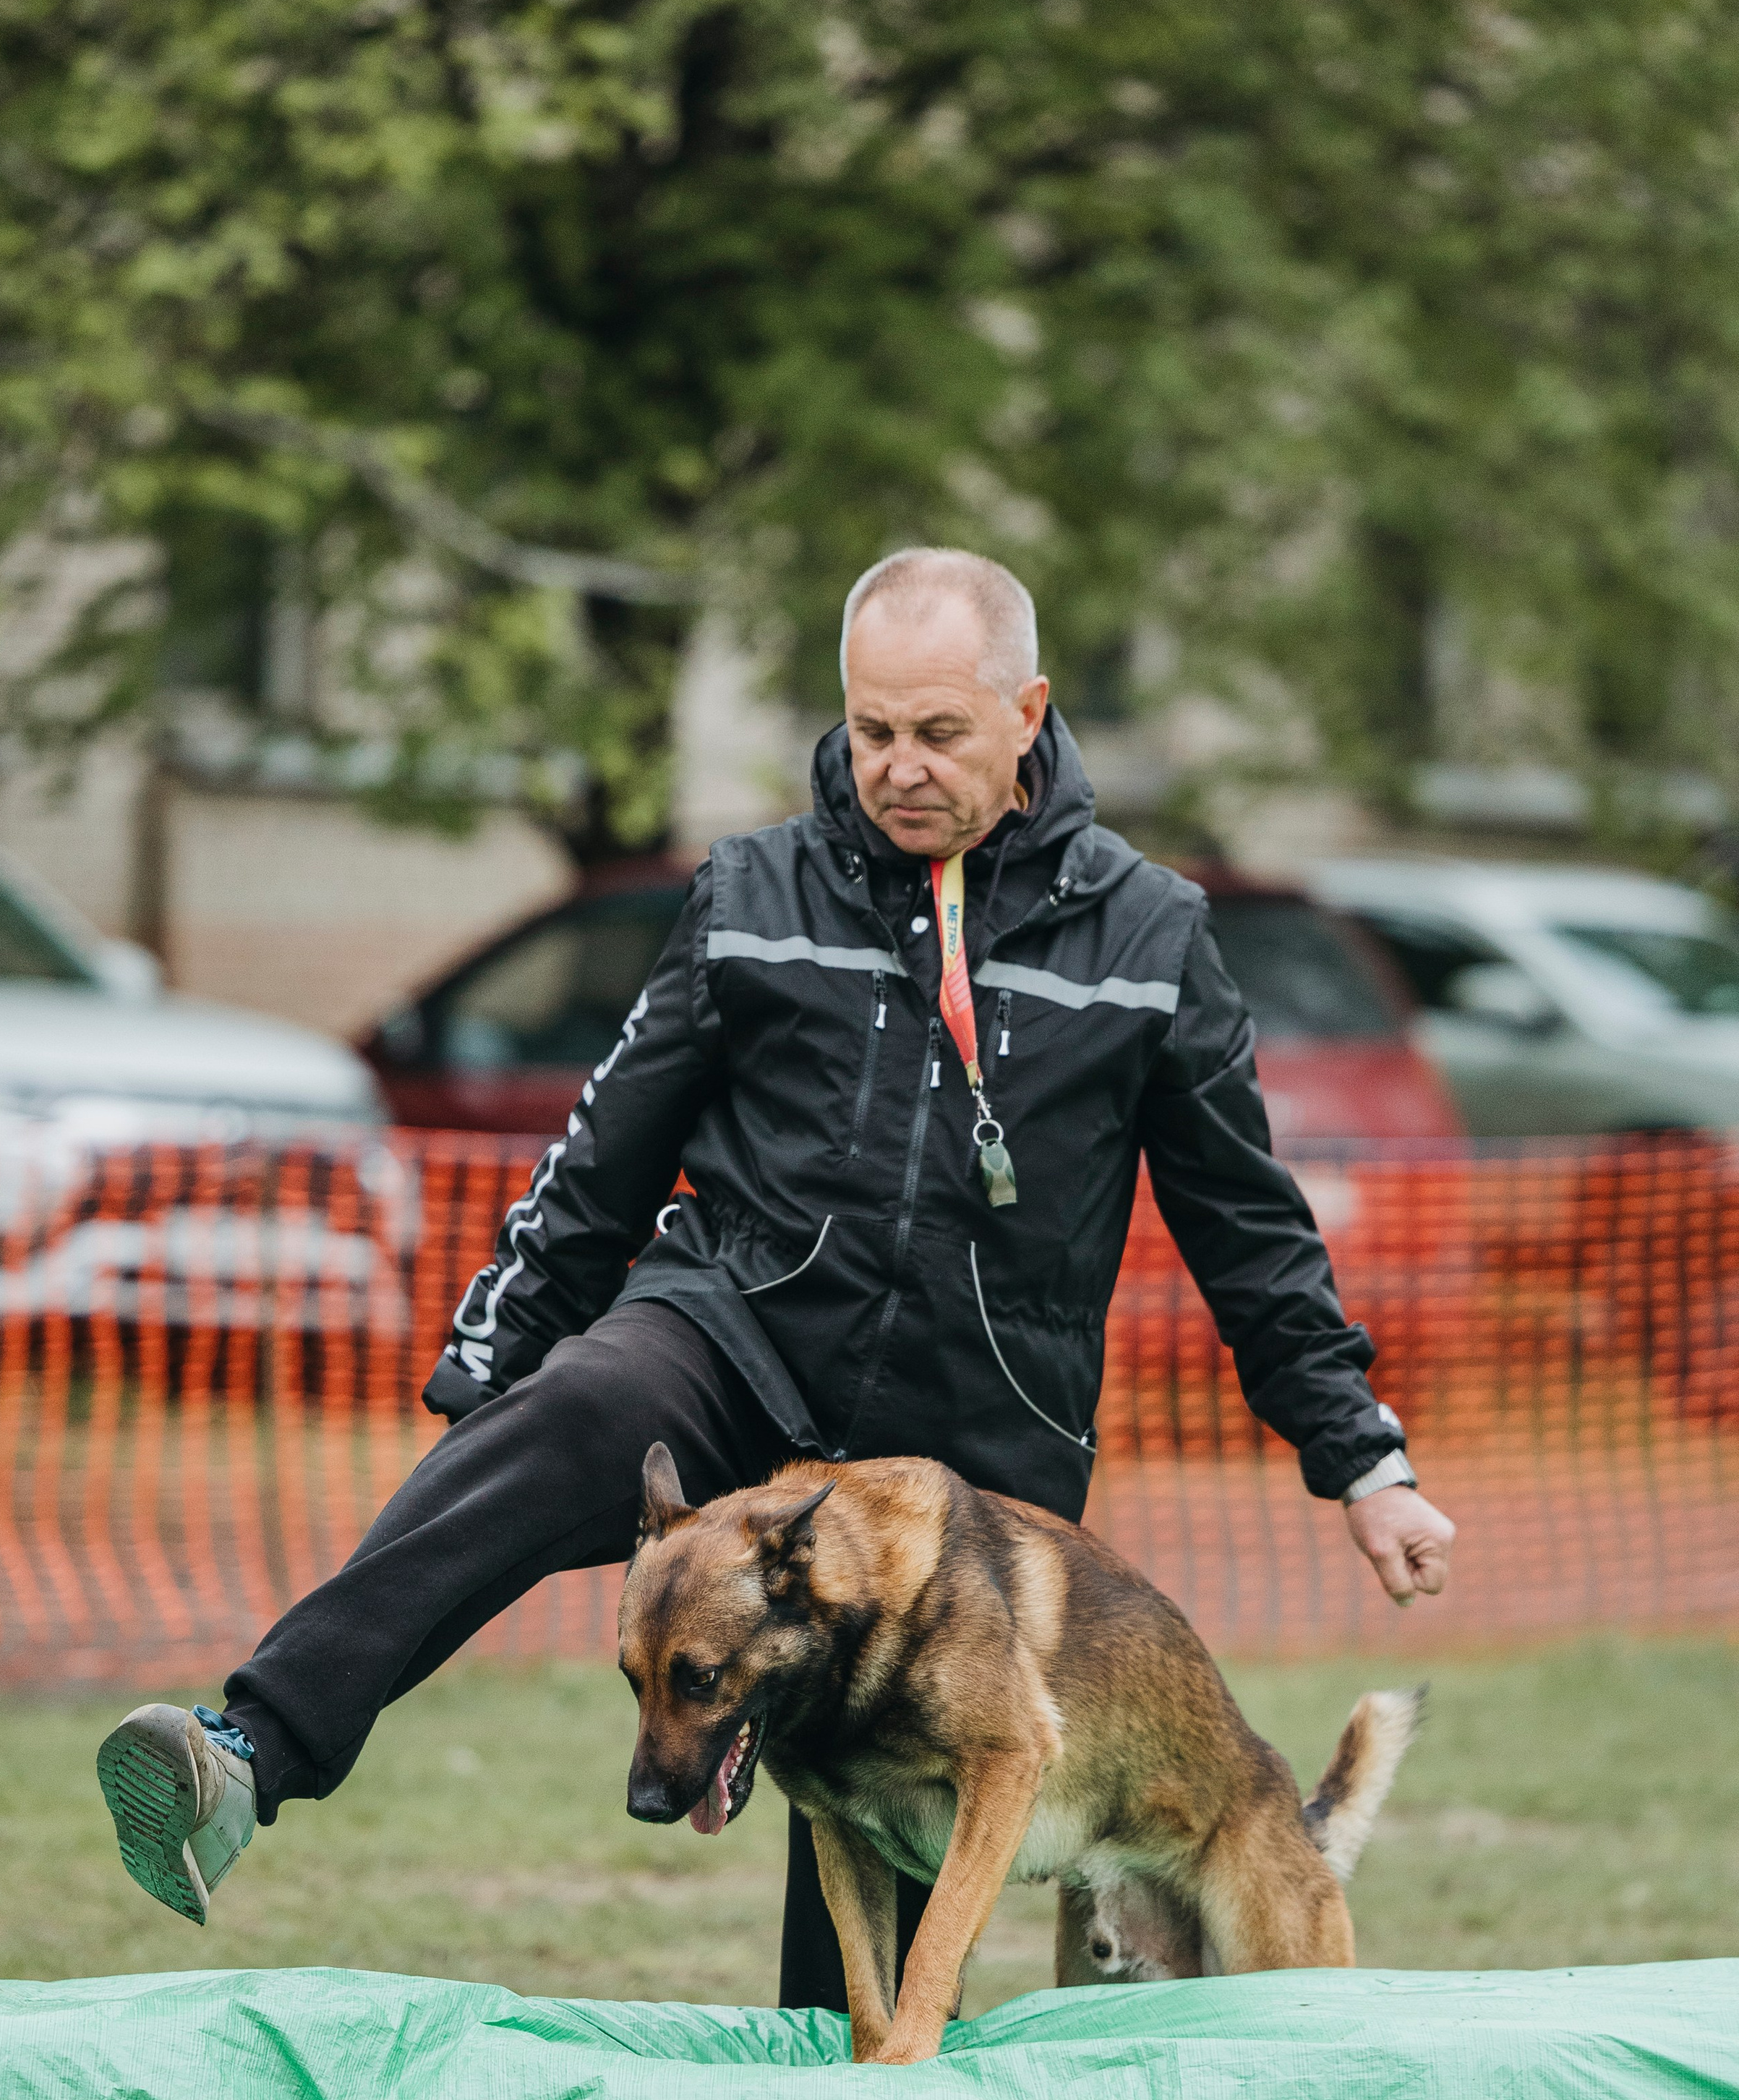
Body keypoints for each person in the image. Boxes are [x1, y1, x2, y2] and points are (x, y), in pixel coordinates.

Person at [95, 547, 1456, 1996]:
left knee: (867, 1898)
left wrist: (1360, 1459)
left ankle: (851, 2085)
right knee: (575, 1407)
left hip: (969, 1450)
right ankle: (245, 1756)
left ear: (1027, 713)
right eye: (872, 729)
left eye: (938, 732)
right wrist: (491, 1382)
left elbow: (1248, 1227)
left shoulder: (1149, 936)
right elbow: (605, 1154)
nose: (899, 766)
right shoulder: (753, 892)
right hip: (734, 1336)